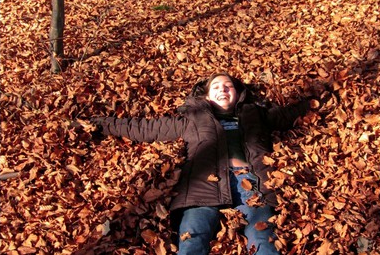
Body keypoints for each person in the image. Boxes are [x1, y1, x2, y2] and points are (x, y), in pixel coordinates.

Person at [89, 72, 310, 254]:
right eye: (216, 87)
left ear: (238, 93)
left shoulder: (256, 114)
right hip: (202, 187)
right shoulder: (193, 117)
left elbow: (293, 113)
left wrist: (329, 91)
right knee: (192, 241)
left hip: (252, 184)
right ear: (206, 96)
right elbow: (144, 129)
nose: (222, 89)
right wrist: (97, 124)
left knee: (264, 240)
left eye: (228, 86)